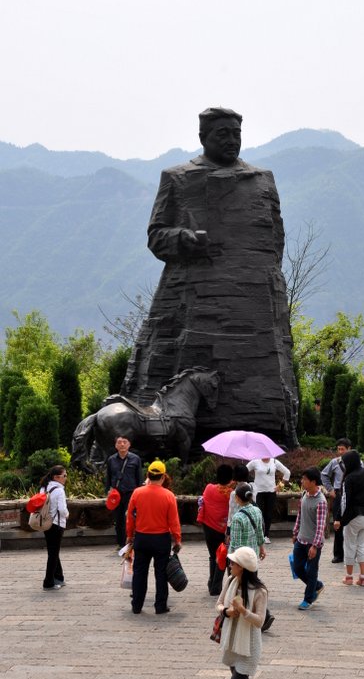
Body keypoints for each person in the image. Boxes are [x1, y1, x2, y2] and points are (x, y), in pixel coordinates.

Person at [121, 107, 298, 450]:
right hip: (193, 300)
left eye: (236, 133)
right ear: (203, 137)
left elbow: (276, 239)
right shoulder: (179, 178)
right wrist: (183, 239)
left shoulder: (262, 179)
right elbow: (156, 236)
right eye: (223, 134)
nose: (232, 140)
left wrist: (266, 284)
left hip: (255, 309)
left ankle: (270, 436)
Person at [204, 546, 268, 679]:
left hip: (249, 648)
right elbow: (219, 603)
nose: (230, 565)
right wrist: (227, 611)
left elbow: (260, 621)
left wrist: (244, 611)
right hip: (232, 643)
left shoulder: (259, 591)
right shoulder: (231, 582)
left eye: (233, 563)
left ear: (243, 567)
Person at [125, 460, 181, 614]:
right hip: (161, 539)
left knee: (140, 573)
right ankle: (160, 606)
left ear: (148, 475)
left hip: (142, 538)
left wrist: (130, 535)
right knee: (161, 573)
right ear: (163, 477)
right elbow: (174, 521)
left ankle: (137, 605)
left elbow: (130, 517)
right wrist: (177, 539)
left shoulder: (137, 493)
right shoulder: (169, 495)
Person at [229, 482, 274, 632]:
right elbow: (261, 531)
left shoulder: (237, 518)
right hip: (252, 558)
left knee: (239, 588)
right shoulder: (256, 510)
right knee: (252, 585)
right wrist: (262, 547)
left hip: (240, 561)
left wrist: (232, 562)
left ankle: (260, 616)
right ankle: (262, 614)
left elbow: (235, 544)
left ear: (237, 498)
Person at [333, 450, 364, 586]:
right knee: (362, 545)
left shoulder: (349, 478)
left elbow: (344, 501)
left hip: (354, 517)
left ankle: (349, 577)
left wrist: (339, 519)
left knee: (349, 545)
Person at [292, 466, 327, 610]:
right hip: (301, 539)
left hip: (313, 543)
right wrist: (295, 532)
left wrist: (315, 545)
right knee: (298, 568)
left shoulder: (321, 501)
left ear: (313, 482)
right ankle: (317, 585)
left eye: (305, 479)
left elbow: (320, 526)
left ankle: (308, 598)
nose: (302, 481)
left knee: (312, 571)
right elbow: (300, 516)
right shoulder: (304, 495)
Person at [197, 464, 234, 596]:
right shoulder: (232, 494)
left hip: (208, 528)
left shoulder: (209, 488)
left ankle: (212, 583)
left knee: (213, 556)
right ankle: (217, 586)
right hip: (224, 531)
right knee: (224, 555)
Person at [105, 435, 143, 548]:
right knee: (118, 519)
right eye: (119, 442)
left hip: (131, 493)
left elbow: (139, 478)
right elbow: (108, 477)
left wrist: (140, 492)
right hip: (116, 494)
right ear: (115, 445)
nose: (122, 444)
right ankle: (120, 543)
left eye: (124, 442)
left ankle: (130, 542)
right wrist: (108, 490)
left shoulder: (135, 459)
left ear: (129, 444)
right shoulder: (111, 459)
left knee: (130, 518)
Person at [321, 437, 352, 563]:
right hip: (339, 494)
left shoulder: (357, 462)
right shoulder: (334, 462)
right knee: (338, 524)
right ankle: (338, 554)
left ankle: (351, 554)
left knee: (351, 525)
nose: (340, 451)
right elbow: (323, 474)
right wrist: (330, 489)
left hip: (351, 495)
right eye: (338, 449)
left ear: (349, 449)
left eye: (343, 449)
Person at [246, 456, 290, 544]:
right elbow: (244, 471)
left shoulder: (274, 462)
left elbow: (287, 472)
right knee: (258, 513)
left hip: (271, 492)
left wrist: (280, 485)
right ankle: (258, 535)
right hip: (258, 492)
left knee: (268, 514)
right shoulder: (255, 461)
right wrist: (249, 484)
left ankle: (266, 535)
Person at [40, 465, 69, 590]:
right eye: (64, 476)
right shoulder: (59, 490)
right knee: (53, 554)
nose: (66, 478)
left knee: (53, 551)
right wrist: (67, 515)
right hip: (57, 524)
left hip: (46, 523)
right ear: (56, 477)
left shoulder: (44, 488)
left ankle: (59, 577)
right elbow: (62, 510)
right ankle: (48, 582)